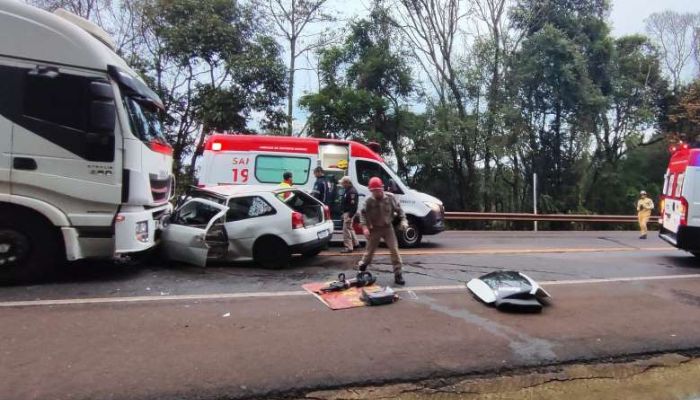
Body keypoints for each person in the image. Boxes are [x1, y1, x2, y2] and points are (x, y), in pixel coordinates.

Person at [357, 177, 409, 285]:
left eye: (377, 190)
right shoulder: (368, 201)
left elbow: (400, 211)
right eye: (373, 191)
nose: (375, 192)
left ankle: (398, 274)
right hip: (375, 229)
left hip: (387, 228)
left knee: (394, 250)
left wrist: (404, 221)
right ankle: (362, 268)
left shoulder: (390, 198)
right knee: (369, 252)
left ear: (382, 188)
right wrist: (365, 227)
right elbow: (362, 214)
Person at [339, 176, 360, 253]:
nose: (342, 184)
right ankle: (356, 243)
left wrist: (349, 216)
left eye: (343, 183)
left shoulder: (351, 192)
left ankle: (348, 247)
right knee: (349, 228)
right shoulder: (348, 190)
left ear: (347, 183)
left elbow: (353, 206)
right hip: (347, 212)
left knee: (346, 230)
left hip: (349, 213)